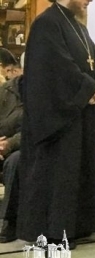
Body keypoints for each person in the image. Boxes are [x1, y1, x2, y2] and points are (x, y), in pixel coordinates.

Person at [18, 0, 95, 248]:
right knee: (59, 175)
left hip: (79, 113)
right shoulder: (47, 24)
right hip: (58, 119)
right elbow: (56, 68)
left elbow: (93, 64)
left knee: (78, 173)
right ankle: (53, 232)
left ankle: (77, 226)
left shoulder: (77, 26)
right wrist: (90, 89)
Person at [0, 52, 23, 243]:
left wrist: (9, 144)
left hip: (26, 147)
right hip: (2, 144)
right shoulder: (5, 90)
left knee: (15, 162)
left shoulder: (43, 92)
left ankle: (10, 220)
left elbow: (36, 128)